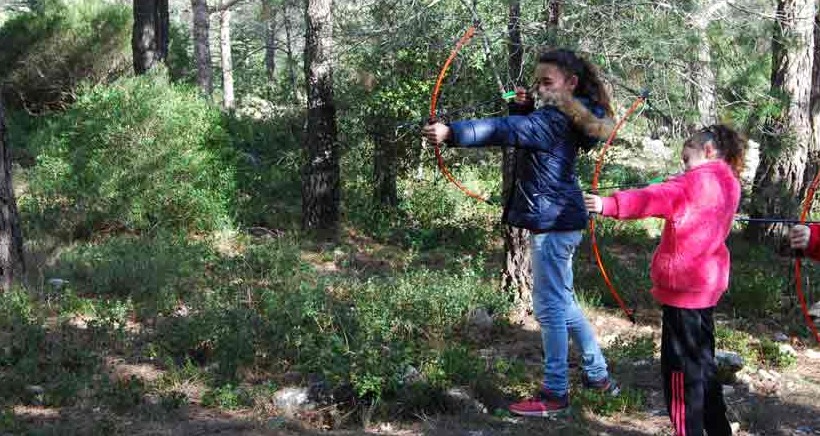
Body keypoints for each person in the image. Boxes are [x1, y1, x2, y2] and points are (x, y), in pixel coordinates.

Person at [422, 49, 619, 417]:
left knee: (548, 309)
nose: (540, 88)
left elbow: (507, 131)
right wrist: (524, 109)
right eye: (538, 81)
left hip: (553, 224)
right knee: (565, 303)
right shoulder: (563, 115)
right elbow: (532, 136)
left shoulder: (555, 119)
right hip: (561, 220)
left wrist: (452, 133)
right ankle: (598, 375)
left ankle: (555, 392)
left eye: (548, 82)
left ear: (570, 84)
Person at [584, 124, 746, 435]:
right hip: (705, 289)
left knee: (680, 374)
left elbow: (656, 197)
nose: (683, 166)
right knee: (703, 366)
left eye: (687, 159)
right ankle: (717, 429)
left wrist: (608, 204)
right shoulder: (730, 184)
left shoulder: (691, 185)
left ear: (709, 151)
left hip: (683, 291)